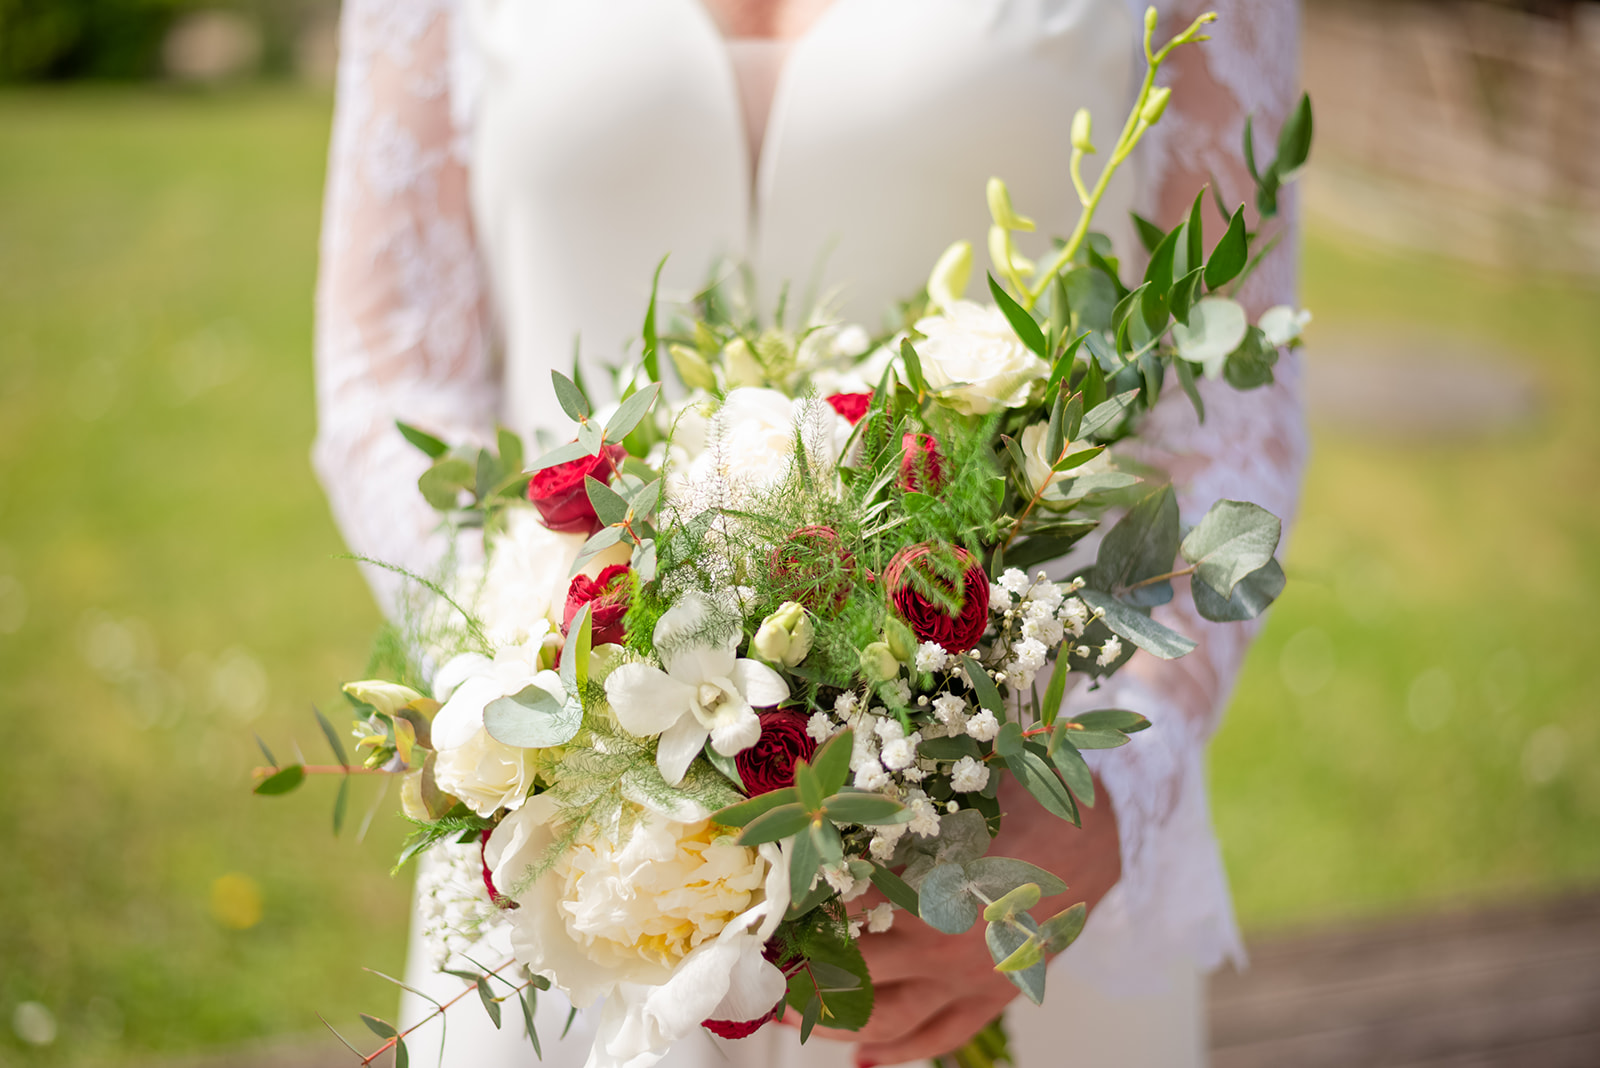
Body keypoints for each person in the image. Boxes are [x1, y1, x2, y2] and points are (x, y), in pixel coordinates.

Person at [312, 0, 1307, 1064]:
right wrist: (533, 704)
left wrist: (1113, 796)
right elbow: (391, 381)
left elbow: (1229, 425)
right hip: (588, 873)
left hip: (1008, 859)